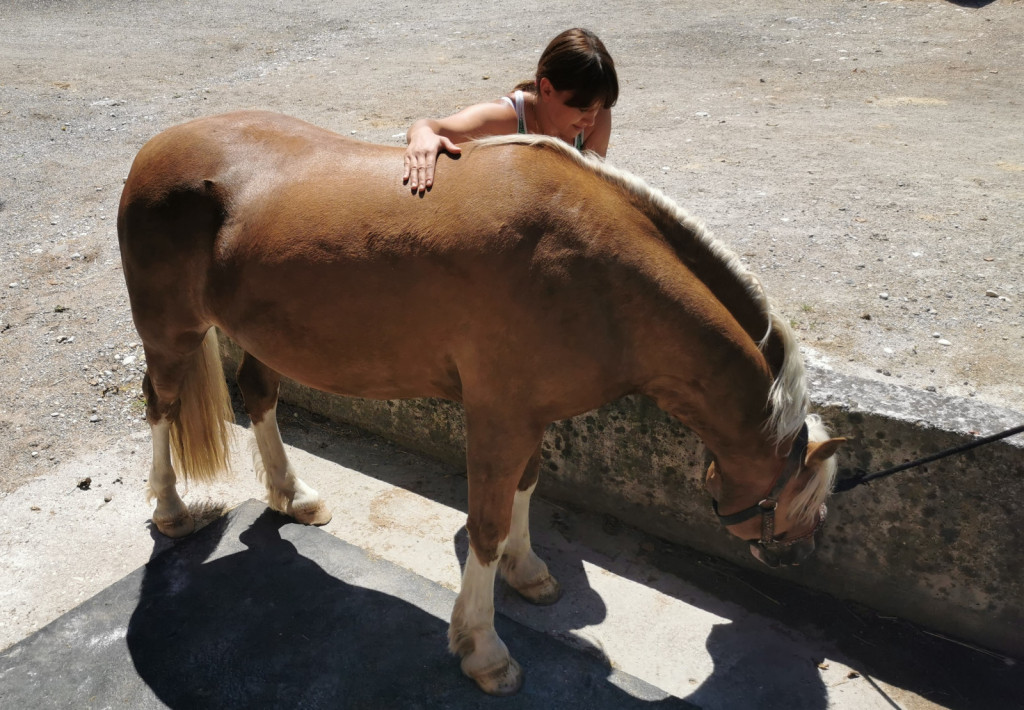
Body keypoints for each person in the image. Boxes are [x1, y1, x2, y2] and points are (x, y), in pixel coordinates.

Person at [403, 28, 619, 193]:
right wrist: (422, 136)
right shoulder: (506, 118)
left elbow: (592, 190)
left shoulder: (597, 117)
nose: (591, 120)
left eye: (598, 107)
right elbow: (429, 126)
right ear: (546, 89)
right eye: (582, 109)